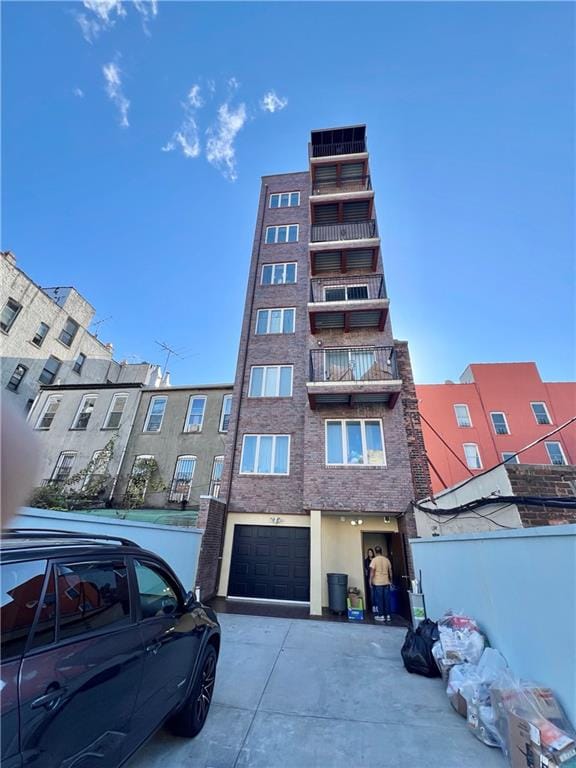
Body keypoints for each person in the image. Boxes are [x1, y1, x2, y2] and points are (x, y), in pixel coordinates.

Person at [370, 545, 393, 623]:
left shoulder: (374, 560)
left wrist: (370, 580)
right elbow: (390, 571)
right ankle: (388, 615)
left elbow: (372, 572)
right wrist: (391, 580)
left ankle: (381, 615)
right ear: (381, 551)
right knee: (387, 599)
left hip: (378, 582)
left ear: (375, 552)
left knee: (379, 599)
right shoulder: (386, 560)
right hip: (386, 582)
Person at [363, 548, 375, 612]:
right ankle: (372, 606)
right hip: (369, 578)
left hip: (376, 578)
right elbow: (366, 569)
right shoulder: (366, 561)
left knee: (375, 593)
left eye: (371, 552)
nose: (370, 553)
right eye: (369, 552)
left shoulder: (375, 560)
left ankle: (376, 606)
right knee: (370, 592)